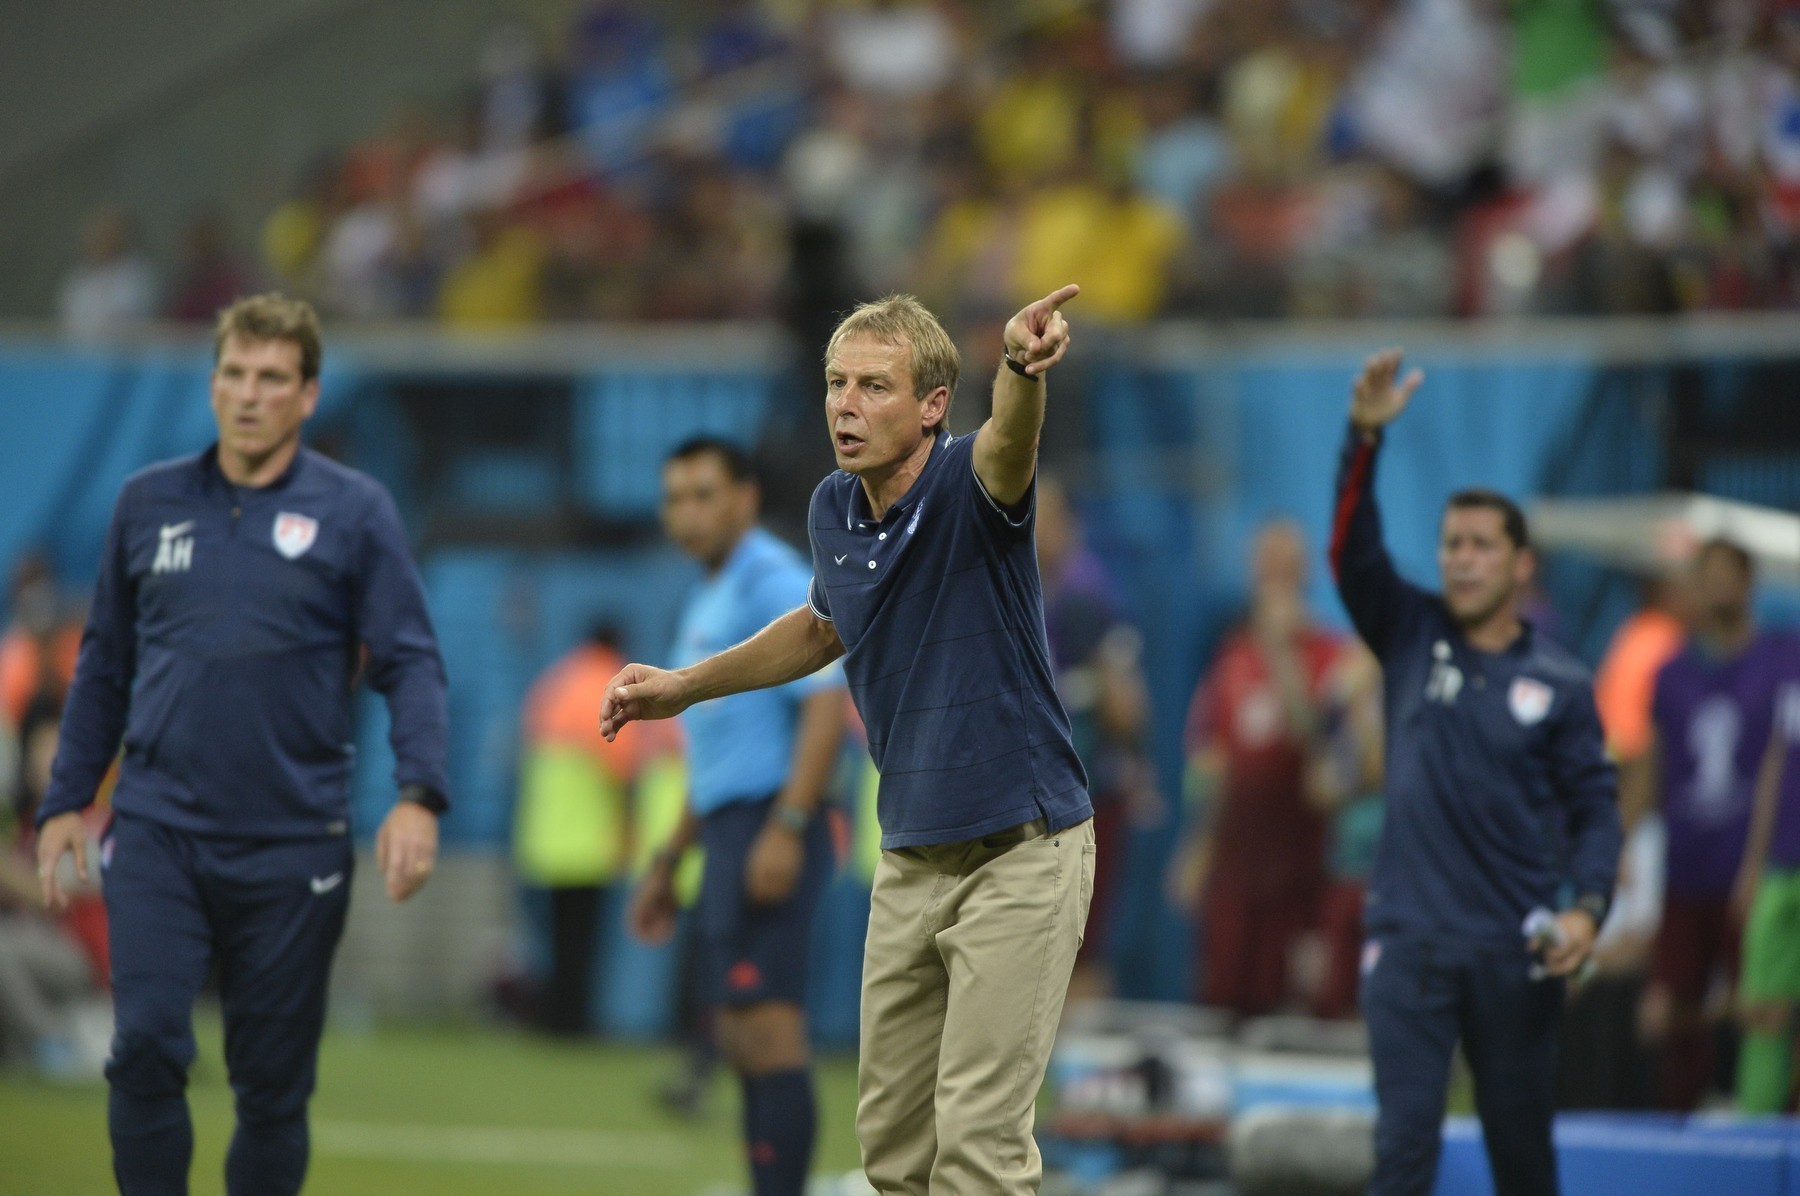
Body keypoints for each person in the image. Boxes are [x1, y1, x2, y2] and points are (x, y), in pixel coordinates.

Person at [602, 286, 1095, 1195]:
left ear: (932, 406)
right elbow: (824, 628)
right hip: (911, 854)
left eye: (874, 386)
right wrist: (685, 687)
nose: (845, 405)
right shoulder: (834, 509)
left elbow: (1010, 441)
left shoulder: (970, 486)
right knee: (893, 1156)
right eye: (837, 384)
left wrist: (1021, 370)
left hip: (1020, 851)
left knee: (979, 1148)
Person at [34, 293, 449, 1196]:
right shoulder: (148, 503)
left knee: (270, 1091)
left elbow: (411, 659)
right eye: (233, 374)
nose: (248, 394)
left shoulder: (355, 512)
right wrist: (67, 800)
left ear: (308, 396)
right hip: (157, 831)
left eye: (271, 378)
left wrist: (418, 794)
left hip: (294, 842)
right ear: (212, 383)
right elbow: (103, 662)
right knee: (143, 1046)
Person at [1331, 349, 1620, 1196]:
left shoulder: (1563, 684)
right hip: (1411, 942)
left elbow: (1597, 810)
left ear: (1522, 564)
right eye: (1451, 543)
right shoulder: (1410, 630)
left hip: (1515, 950)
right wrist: (1363, 441)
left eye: (1482, 545)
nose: (1460, 558)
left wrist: (1589, 910)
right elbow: (1350, 551)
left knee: (1524, 1162)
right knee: (1403, 1153)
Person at [626, 436, 849, 1195]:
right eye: (674, 498)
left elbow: (826, 703)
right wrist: (669, 859)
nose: (686, 513)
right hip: (729, 826)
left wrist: (789, 825)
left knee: (769, 1028)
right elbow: (715, 751)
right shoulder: (707, 592)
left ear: (745, 499)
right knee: (741, 1032)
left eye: (703, 494)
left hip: (769, 824)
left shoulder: (769, 575)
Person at [1627, 539, 1795, 1110]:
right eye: (1707, 577)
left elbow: (1781, 762)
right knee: (1672, 1007)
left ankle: (1767, 1127)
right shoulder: (1669, 674)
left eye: (1729, 576)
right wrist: (1625, 844)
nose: (1717, 589)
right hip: (1687, 864)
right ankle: (1681, 1125)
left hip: (1760, 865)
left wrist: (1760, 860)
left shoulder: (1782, 660)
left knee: (1764, 1006)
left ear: (1749, 584)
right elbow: (1652, 767)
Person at [1171, 520, 1342, 1016]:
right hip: (1235, 866)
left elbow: (1325, 753)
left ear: (1305, 573)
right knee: (1222, 999)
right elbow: (1211, 761)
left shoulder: (1331, 657)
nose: (1274, 579)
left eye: (1285, 567)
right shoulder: (1231, 659)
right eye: (1265, 567)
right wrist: (1196, 845)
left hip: (1302, 870)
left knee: (1295, 1003)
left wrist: (1283, 657)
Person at [1036, 473, 1157, 999]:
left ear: (1070, 526)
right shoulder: (1025, 589)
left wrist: (1133, 764)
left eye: (1044, 518)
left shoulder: (1086, 596)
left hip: (1085, 797)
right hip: (1039, 796)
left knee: (1080, 943)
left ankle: (1078, 1075)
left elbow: (1127, 704)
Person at [514, 623, 643, 1037]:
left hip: (545, 836)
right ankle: (574, 1021)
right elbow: (622, 766)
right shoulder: (606, 686)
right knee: (582, 942)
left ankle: (553, 1017)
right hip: (587, 840)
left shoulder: (554, 682)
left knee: (553, 939)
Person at [1733, 649, 1800, 1112]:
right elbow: (1776, 763)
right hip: (1784, 863)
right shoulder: (1791, 662)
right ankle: (1754, 1130)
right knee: (1761, 1009)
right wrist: (1753, 863)